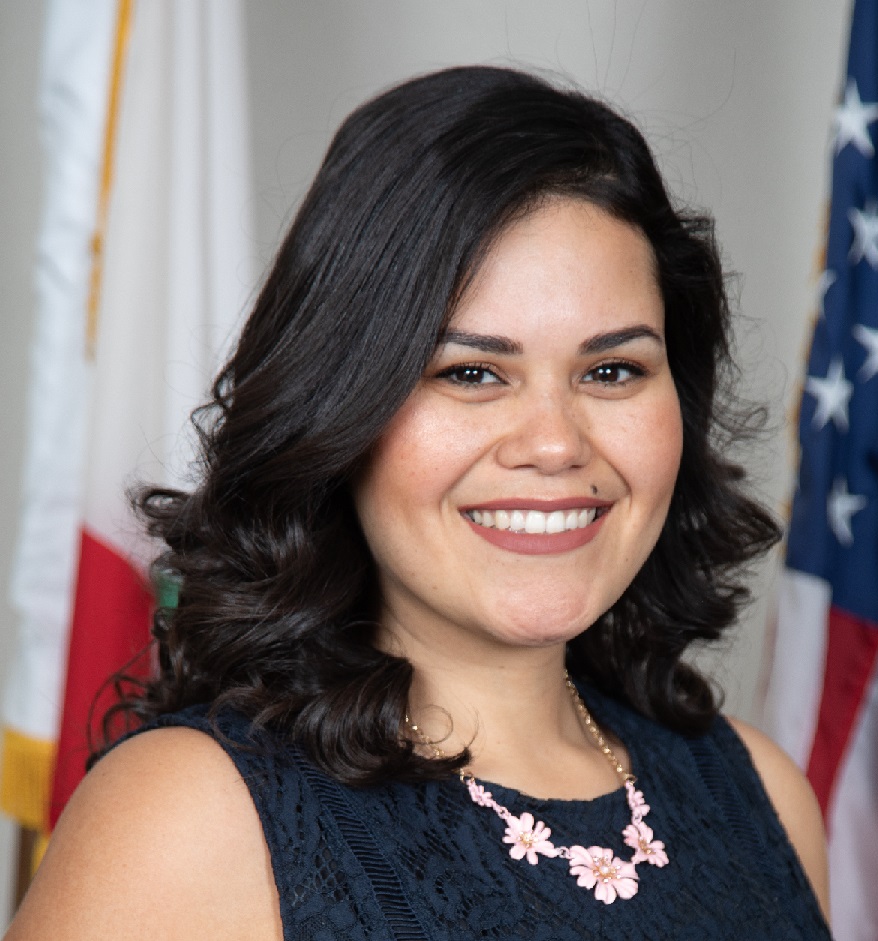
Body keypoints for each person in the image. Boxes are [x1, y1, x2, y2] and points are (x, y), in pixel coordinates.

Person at [6, 66, 831, 940]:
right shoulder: (188, 818)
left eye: (611, 370)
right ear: (340, 409)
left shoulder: (761, 796)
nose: (554, 444)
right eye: (470, 372)